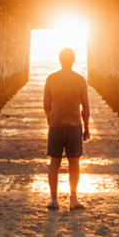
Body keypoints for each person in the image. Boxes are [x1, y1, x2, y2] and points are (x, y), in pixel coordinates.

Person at [43, 47, 90, 210]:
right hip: (74, 125)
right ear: (73, 60)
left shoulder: (51, 78)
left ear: (60, 60)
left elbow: (46, 105)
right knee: (74, 163)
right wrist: (87, 128)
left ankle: (54, 199)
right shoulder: (80, 79)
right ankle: (73, 198)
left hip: (56, 125)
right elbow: (85, 106)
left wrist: (51, 119)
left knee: (54, 162)